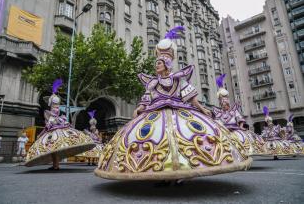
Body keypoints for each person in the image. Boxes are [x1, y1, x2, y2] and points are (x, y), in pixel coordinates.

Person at [95, 26, 252, 181]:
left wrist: (202, 109)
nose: (156, 66)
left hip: (180, 111)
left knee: (185, 137)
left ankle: (186, 167)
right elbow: (147, 98)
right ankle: (158, 168)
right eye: (156, 63)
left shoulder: (178, 79)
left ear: (166, 64)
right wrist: (140, 108)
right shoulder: (153, 83)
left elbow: (191, 97)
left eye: (159, 63)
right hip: (155, 113)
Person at [25, 79, 95, 170]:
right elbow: (50, 122)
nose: (56, 108)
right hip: (56, 127)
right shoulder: (55, 112)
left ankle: (56, 165)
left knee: (54, 149)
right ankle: (55, 165)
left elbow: (49, 124)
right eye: (55, 107)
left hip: (55, 127)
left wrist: (41, 134)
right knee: (55, 149)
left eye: (57, 107)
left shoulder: (53, 113)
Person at [213, 74, 267, 156]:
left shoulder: (233, 111)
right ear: (221, 104)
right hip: (224, 131)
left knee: (240, 140)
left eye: (226, 104)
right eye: (223, 104)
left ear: (228, 104)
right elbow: (216, 123)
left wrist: (241, 126)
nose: (224, 106)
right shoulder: (218, 112)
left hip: (235, 130)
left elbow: (239, 118)